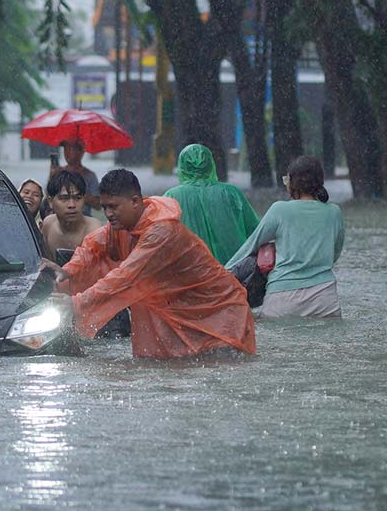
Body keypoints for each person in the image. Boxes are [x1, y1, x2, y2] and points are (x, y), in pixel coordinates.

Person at [44, 169, 256, 359]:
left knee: (217, 370)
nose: (108, 214)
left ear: (136, 202)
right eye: (104, 207)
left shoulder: (160, 231)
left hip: (218, 313)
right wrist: (67, 271)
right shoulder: (121, 225)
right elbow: (92, 247)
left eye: (114, 207)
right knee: (174, 371)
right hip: (177, 311)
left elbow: (125, 277)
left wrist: (76, 303)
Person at [225, 156, 344, 318]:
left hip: (282, 301)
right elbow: (334, 255)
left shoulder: (279, 210)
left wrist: (222, 272)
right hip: (325, 301)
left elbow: (250, 247)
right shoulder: (334, 212)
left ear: (292, 183)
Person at [163, 143, 261, 264]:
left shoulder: (171, 197)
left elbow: (162, 239)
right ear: (211, 164)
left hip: (190, 272)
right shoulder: (231, 193)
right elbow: (255, 231)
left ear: (181, 166)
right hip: (234, 271)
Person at [40, 171, 104, 264]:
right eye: (64, 198)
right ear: (50, 201)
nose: (72, 205)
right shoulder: (48, 224)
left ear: (84, 199)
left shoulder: (95, 230)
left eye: (78, 198)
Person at [48, 138, 100, 214]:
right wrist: (52, 178)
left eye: (71, 148)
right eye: (65, 149)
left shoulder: (89, 175)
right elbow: (49, 198)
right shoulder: (59, 172)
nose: (67, 152)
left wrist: (79, 191)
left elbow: (98, 204)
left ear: (81, 152)